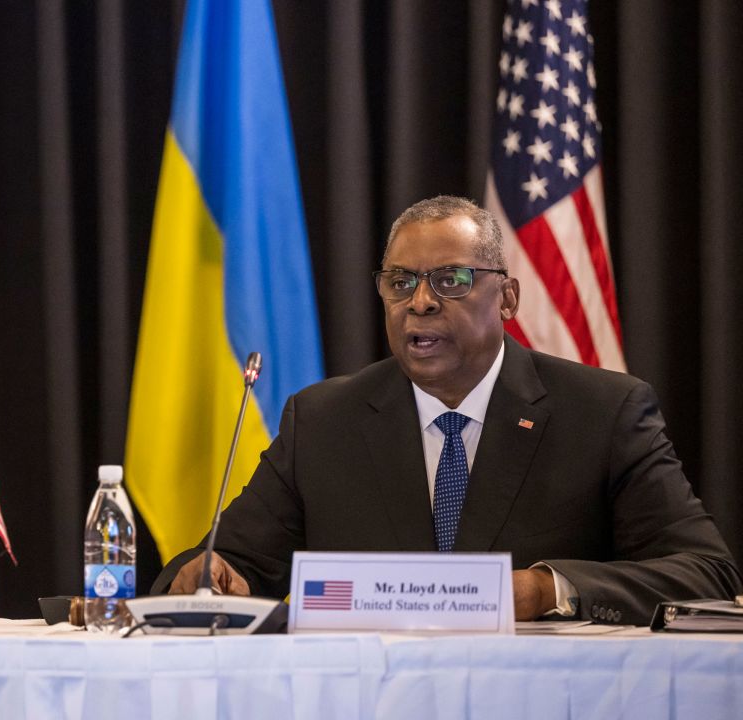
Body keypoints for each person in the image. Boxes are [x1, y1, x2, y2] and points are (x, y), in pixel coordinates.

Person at [154, 195, 740, 623]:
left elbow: (707, 572)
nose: (422, 302)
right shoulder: (325, 420)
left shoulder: (604, 413)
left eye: (452, 280)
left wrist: (546, 589)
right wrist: (209, 575)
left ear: (507, 297)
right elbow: (229, 563)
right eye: (400, 282)